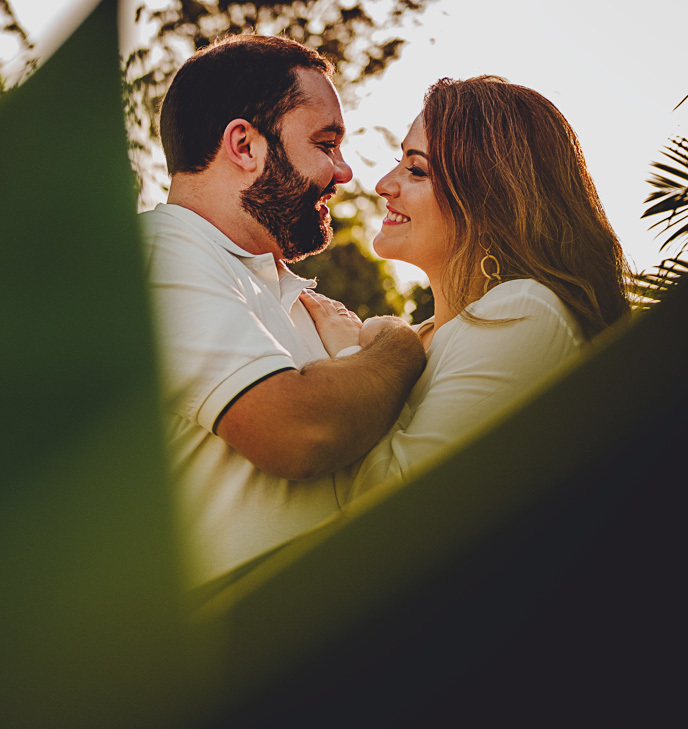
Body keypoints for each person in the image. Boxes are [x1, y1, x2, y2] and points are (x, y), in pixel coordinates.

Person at [141, 35, 426, 585]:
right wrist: (398, 343)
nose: (344, 172)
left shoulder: (279, 289)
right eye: (326, 144)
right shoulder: (159, 253)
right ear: (244, 146)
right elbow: (299, 432)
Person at [302, 76, 632, 503]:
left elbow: (396, 506)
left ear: (489, 199)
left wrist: (358, 352)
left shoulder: (524, 311)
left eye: (416, 170)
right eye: (400, 161)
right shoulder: (426, 334)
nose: (384, 184)